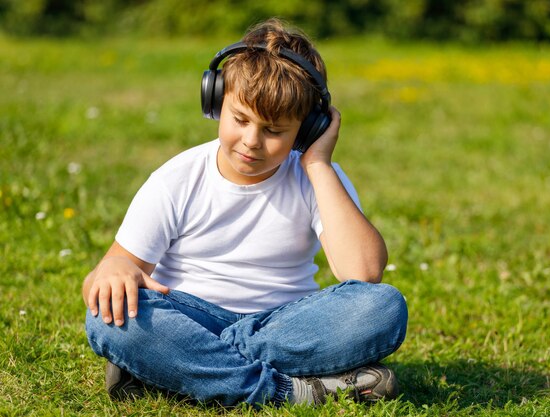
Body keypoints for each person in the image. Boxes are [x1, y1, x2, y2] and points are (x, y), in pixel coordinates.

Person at [82, 18, 408, 407]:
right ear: (216, 101)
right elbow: (103, 281)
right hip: (190, 315)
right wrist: (113, 269)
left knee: (383, 307)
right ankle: (290, 390)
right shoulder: (177, 178)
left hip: (287, 325)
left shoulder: (318, 176)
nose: (251, 141)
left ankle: (180, 368)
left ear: (307, 130)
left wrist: (318, 165)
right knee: (108, 317)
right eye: (240, 120)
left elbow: (364, 272)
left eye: (274, 131)